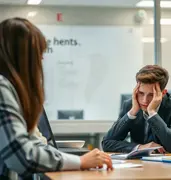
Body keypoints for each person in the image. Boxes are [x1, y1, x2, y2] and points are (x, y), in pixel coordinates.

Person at [0, 17, 112, 180]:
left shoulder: (11, 89)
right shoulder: (2, 88)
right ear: (23, 56)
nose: (42, 60)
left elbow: (33, 143)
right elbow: (22, 156)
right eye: (38, 53)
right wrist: (80, 161)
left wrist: (77, 160)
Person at [102, 65, 171, 153]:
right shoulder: (130, 105)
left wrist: (152, 113)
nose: (144, 100)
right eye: (141, 93)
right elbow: (107, 143)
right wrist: (139, 147)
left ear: (163, 93)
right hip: (140, 163)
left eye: (151, 95)